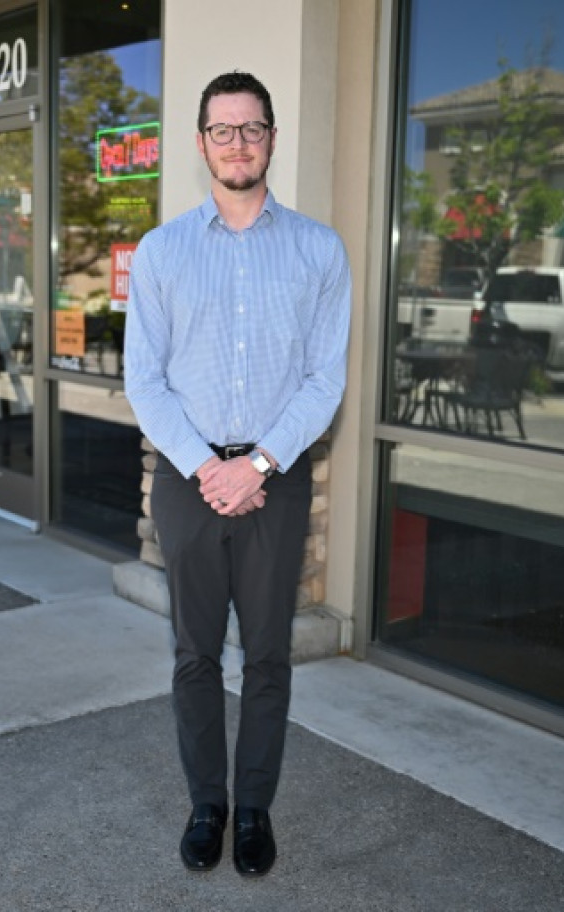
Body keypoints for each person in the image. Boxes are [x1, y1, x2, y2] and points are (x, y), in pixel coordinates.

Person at [123, 71, 351, 876]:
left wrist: (255, 464)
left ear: (273, 138)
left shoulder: (319, 250)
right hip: (187, 479)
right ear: (200, 143)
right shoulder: (162, 251)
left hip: (276, 477)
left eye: (251, 128)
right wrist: (205, 469)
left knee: (266, 655)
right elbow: (144, 379)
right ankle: (206, 804)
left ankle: (253, 809)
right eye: (222, 130)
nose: (238, 143)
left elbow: (326, 380)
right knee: (193, 654)